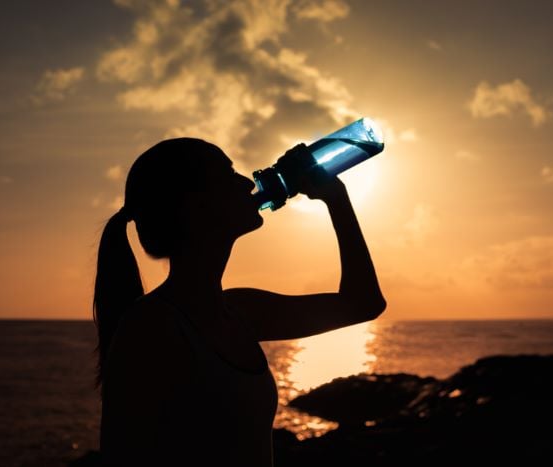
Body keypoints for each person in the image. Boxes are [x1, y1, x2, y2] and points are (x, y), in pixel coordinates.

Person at [93, 138, 386, 466]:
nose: (247, 182)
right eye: (227, 175)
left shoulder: (240, 311)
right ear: (194, 205)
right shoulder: (151, 328)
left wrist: (336, 198)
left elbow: (363, 304)